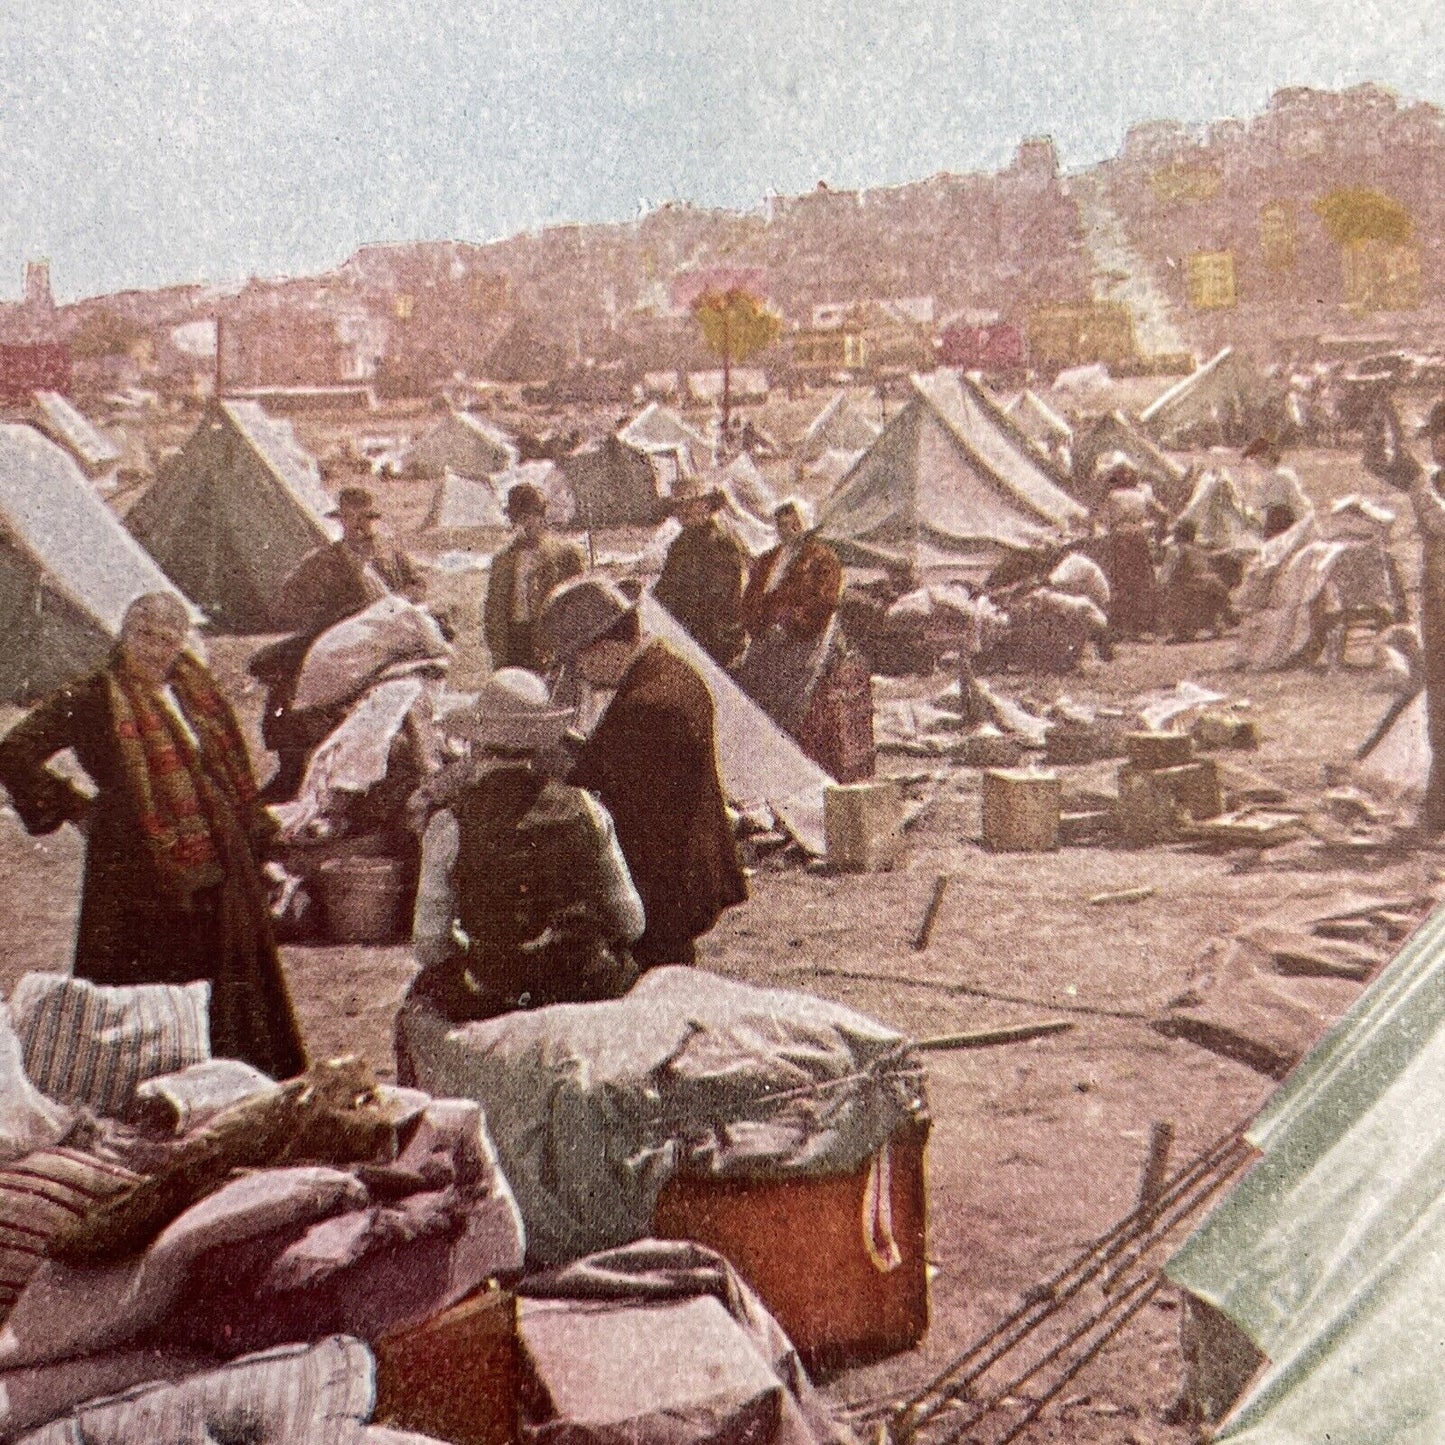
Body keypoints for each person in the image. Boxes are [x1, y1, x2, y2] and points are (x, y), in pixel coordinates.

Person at [0, 593, 306, 1079]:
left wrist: (257, 844)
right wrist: (75, 806)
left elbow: (227, 769)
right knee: (147, 982)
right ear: (123, 634)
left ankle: (240, 1079)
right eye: (144, 636)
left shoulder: (193, 687)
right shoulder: (93, 696)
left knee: (230, 976)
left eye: (168, 639)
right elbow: (13, 750)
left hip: (219, 856)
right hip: (136, 865)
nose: (154, 650)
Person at [405, 668, 643, 1025]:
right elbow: (631, 923)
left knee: (421, 998)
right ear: (539, 744)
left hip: (498, 993)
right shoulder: (587, 810)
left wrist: (484, 948)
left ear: (478, 744)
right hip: (584, 986)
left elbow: (429, 944)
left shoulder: (449, 825)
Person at [541, 576, 747, 968]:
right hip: (686, 870)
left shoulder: (649, 703)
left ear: (602, 648)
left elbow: (626, 797)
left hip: (663, 884)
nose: (581, 675)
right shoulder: (670, 669)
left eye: (579, 661)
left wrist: (566, 768)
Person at [253, 481, 424, 802]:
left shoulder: (391, 554)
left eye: (366, 519)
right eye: (351, 519)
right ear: (341, 521)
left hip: (391, 642)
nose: (360, 527)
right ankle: (301, 772)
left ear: (375, 520)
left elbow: (418, 585)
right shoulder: (326, 562)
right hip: (344, 645)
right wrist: (332, 619)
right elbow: (291, 601)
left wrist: (399, 602)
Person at [1363, 396, 1445, 830]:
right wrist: (1383, 423)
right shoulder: (1432, 477)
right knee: (1438, 702)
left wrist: (1418, 481)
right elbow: (1381, 464)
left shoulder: (1427, 483)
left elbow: (1438, 521)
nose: (1441, 446)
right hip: (1437, 601)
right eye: (1437, 437)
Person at [735, 498, 844, 732]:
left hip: (802, 640)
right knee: (748, 683)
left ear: (806, 525)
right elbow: (752, 595)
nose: (789, 531)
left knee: (786, 695)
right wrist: (757, 624)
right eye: (783, 525)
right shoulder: (769, 559)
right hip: (765, 636)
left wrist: (788, 625)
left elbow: (823, 602)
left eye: (794, 525)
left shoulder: (823, 560)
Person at [482, 483, 586, 671]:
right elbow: (493, 611)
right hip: (514, 640)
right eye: (518, 519)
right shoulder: (502, 560)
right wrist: (498, 651)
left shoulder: (565, 554)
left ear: (541, 517)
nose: (525, 525)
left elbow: (579, 604)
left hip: (549, 640)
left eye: (529, 517)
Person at [652, 475, 749, 667]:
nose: (684, 511)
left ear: (707, 506)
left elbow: (718, 602)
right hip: (682, 633)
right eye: (679, 506)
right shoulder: (680, 544)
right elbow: (665, 589)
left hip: (713, 642)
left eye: (691, 503)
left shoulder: (721, 544)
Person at [1157, 519, 1234, 643]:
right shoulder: (1198, 549)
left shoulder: (1176, 550)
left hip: (1187, 590)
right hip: (1210, 587)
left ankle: (1183, 630)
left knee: (1171, 591)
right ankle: (1213, 624)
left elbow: (1166, 576)